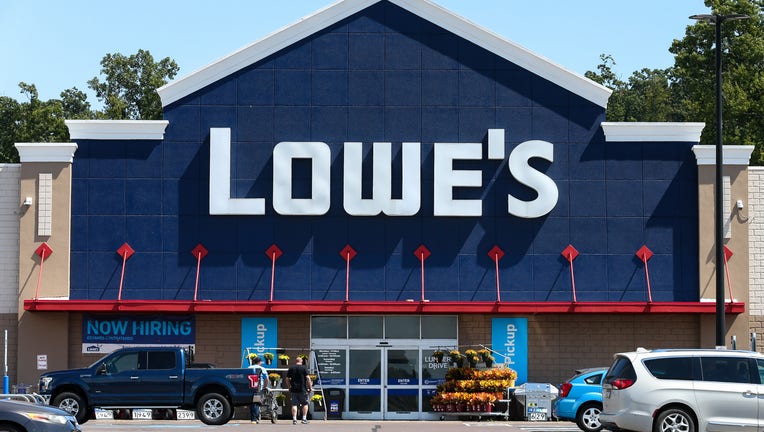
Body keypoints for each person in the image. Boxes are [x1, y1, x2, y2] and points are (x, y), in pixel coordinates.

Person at [286, 356, 312, 425]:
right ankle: (304, 419)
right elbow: (308, 379)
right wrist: (310, 387)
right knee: (305, 404)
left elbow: (287, 379)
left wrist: (289, 387)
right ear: (301, 361)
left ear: (296, 361)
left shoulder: (291, 368)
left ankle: (294, 419)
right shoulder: (304, 368)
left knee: (294, 404)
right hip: (303, 389)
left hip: (294, 389)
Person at [249, 356, 269, 423]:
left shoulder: (249, 368)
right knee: (256, 402)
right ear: (259, 362)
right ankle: (255, 419)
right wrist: (264, 387)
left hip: (250, 387)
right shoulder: (262, 369)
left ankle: (253, 418)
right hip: (258, 387)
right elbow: (266, 379)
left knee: (252, 403)